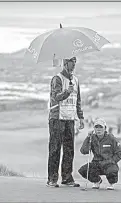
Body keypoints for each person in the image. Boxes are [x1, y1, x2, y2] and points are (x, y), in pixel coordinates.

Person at [47, 56, 85, 188]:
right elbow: (55, 97)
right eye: (71, 62)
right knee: (55, 149)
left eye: (75, 61)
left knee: (69, 150)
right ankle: (52, 179)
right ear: (65, 63)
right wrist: (66, 92)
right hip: (57, 118)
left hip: (70, 118)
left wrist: (81, 117)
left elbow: (77, 100)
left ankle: (67, 178)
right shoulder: (57, 79)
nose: (74, 64)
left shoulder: (75, 80)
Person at [78, 118, 121, 190]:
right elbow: (84, 151)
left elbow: (119, 153)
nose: (98, 129)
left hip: (109, 163)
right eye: (96, 127)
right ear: (94, 129)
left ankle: (111, 183)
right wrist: (88, 137)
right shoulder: (92, 138)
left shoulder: (111, 138)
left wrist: (111, 161)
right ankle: (97, 181)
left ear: (105, 128)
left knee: (112, 170)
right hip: (97, 163)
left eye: (101, 127)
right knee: (83, 170)